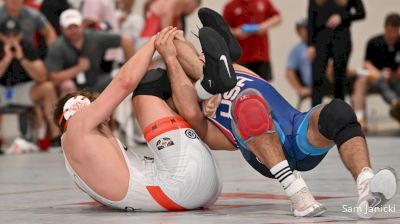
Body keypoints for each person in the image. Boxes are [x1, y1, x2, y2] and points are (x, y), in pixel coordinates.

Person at [151, 8, 398, 218]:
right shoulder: (194, 105)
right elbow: (188, 102)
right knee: (248, 102)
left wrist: (185, 47)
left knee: (339, 111)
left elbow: (199, 58)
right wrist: (171, 57)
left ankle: (366, 187)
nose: (202, 55)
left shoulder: (234, 71)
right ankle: (297, 193)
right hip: (264, 149)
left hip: (298, 131)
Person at [53, 26, 222, 211]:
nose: (107, 117)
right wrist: (154, 42)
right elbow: (125, 82)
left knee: (169, 97)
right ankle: (209, 86)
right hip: (185, 182)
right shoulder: (80, 124)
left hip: (185, 192)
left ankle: (206, 94)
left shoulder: (74, 166)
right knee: (149, 84)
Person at [45, 9, 134, 96]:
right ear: (62, 29)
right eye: (69, 27)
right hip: (74, 87)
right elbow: (53, 77)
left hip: (96, 82)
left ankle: (112, 109)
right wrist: (78, 68)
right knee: (67, 85)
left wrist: (130, 72)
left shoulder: (95, 37)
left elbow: (126, 41)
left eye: (76, 26)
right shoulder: (57, 46)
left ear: (82, 25)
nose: (73, 30)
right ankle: (69, 110)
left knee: (118, 78)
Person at [0, 17, 60, 145]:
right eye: (7, 35)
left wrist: (22, 59)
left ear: (20, 35)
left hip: (23, 89)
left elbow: (42, 76)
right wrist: (6, 59)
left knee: (47, 88)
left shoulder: (26, 46)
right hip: (2, 90)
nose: (11, 38)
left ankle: (56, 136)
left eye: (15, 34)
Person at [308, 0, 365, 106]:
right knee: (317, 77)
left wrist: (342, 17)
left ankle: (339, 113)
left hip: (341, 37)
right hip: (321, 38)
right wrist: (310, 44)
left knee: (340, 77)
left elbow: (361, 12)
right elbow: (311, 18)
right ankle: (315, 113)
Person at [352, 13, 400, 127]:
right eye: (390, 31)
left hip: (395, 80)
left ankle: (395, 105)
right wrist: (379, 73)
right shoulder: (374, 42)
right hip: (376, 78)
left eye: (395, 31)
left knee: (387, 83)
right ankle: (359, 118)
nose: (392, 35)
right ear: (385, 27)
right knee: (361, 81)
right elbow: (366, 64)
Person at [223, 0, 281, 81]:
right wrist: (237, 32)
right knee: (243, 86)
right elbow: (223, 28)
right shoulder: (231, 6)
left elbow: (277, 17)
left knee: (263, 88)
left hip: (261, 56)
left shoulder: (264, 2)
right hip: (240, 58)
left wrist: (264, 26)